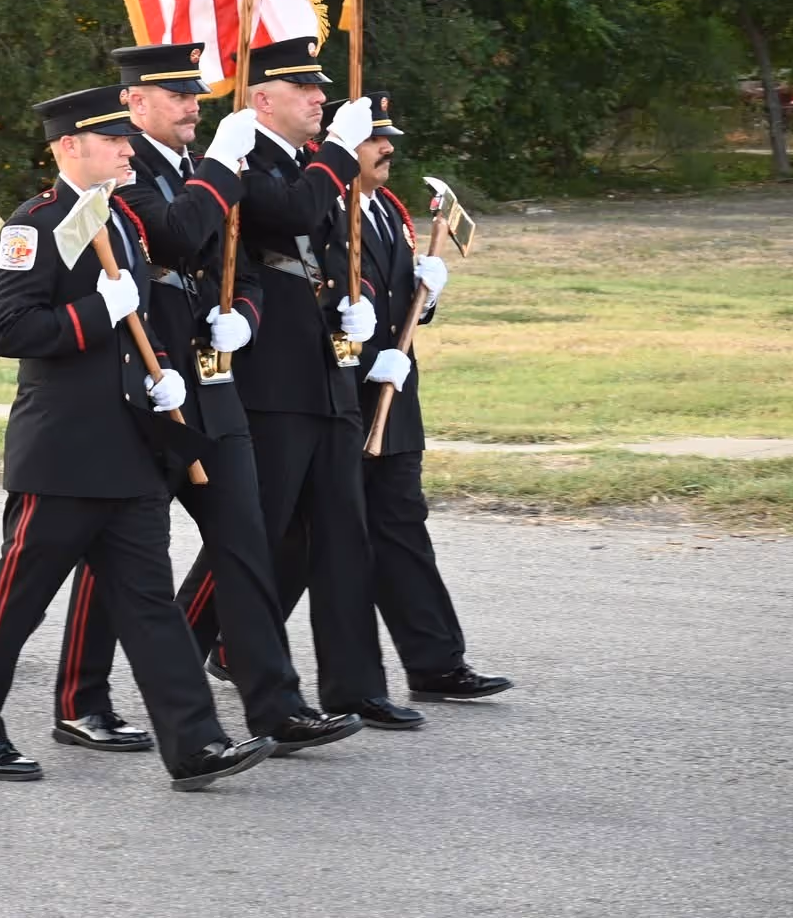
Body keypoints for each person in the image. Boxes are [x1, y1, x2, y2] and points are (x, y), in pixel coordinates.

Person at [0, 84, 271, 789]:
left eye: (127, 138)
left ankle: (195, 743)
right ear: (69, 147)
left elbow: (138, 334)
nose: (127, 148)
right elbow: (11, 330)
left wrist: (164, 377)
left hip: (131, 450)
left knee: (150, 605)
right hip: (64, 455)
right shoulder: (37, 224)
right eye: (112, 140)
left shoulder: (124, 221)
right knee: (16, 601)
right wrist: (98, 309)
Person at [54, 44, 361, 756]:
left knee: (245, 543)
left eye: (195, 93)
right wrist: (224, 167)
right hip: (146, 391)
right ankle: (81, 699)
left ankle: (274, 704)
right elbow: (175, 232)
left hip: (214, 386)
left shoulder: (204, 171)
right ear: (134, 105)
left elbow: (242, 268)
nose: (194, 104)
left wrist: (245, 318)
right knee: (121, 550)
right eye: (176, 95)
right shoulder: (118, 173)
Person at [190, 38, 422, 728]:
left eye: (321, 89)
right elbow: (289, 213)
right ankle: (175, 649)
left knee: (342, 536)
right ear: (263, 100)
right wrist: (341, 156)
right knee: (249, 538)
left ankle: (354, 685)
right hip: (270, 383)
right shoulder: (241, 161)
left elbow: (327, 249)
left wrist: (357, 314)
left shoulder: (306, 162)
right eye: (305, 89)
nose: (322, 98)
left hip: (328, 374)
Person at [312, 91, 511, 703]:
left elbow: (398, 306)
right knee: (295, 538)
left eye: (387, 137)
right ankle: (212, 640)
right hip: (341, 394)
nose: (387, 147)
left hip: (394, 396)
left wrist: (427, 297)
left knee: (400, 526)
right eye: (374, 139)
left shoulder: (389, 210)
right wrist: (363, 352)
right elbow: (320, 303)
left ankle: (436, 664)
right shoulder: (326, 209)